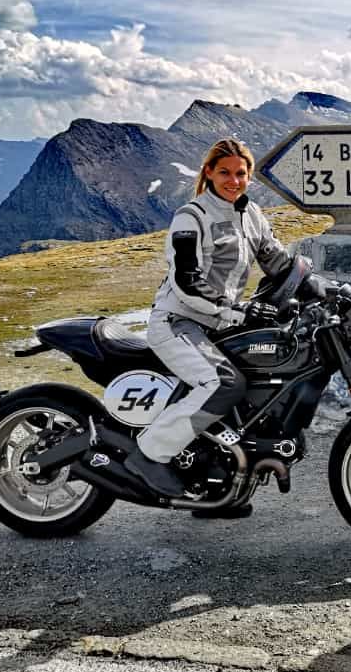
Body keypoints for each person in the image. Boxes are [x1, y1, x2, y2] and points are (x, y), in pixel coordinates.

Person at [124, 137, 292, 505]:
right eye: (225, 173)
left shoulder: (251, 214)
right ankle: (150, 454)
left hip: (217, 324)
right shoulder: (191, 217)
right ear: (209, 173)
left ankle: (218, 482)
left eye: (241, 173)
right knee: (224, 384)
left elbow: (280, 263)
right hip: (179, 322)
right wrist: (236, 310)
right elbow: (187, 281)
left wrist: (323, 288)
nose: (234, 181)